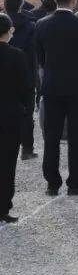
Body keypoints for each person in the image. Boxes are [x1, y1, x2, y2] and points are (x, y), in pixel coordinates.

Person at [35, 0, 78, 197]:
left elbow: (40, 58)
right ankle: (75, 182)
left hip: (51, 86)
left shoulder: (41, 24)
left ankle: (52, 182)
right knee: (77, 136)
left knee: (51, 136)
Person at [0, 13, 33, 223]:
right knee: (7, 162)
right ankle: (3, 206)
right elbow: (26, 87)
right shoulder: (16, 55)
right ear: (9, 30)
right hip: (10, 114)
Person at [4, 0, 38, 161]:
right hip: (25, 73)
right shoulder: (30, 25)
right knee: (27, 112)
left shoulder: (2, 22)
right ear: (21, 5)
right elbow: (34, 53)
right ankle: (27, 148)